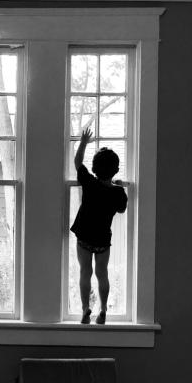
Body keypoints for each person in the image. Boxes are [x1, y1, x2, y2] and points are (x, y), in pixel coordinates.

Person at [70, 127, 128, 325]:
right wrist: (118, 185)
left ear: (95, 168)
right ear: (115, 170)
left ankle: (86, 309)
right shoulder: (118, 193)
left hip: (84, 236)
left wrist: (84, 142)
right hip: (102, 238)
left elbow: (77, 162)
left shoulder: (89, 183)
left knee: (85, 272)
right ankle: (103, 310)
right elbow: (121, 210)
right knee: (102, 273)